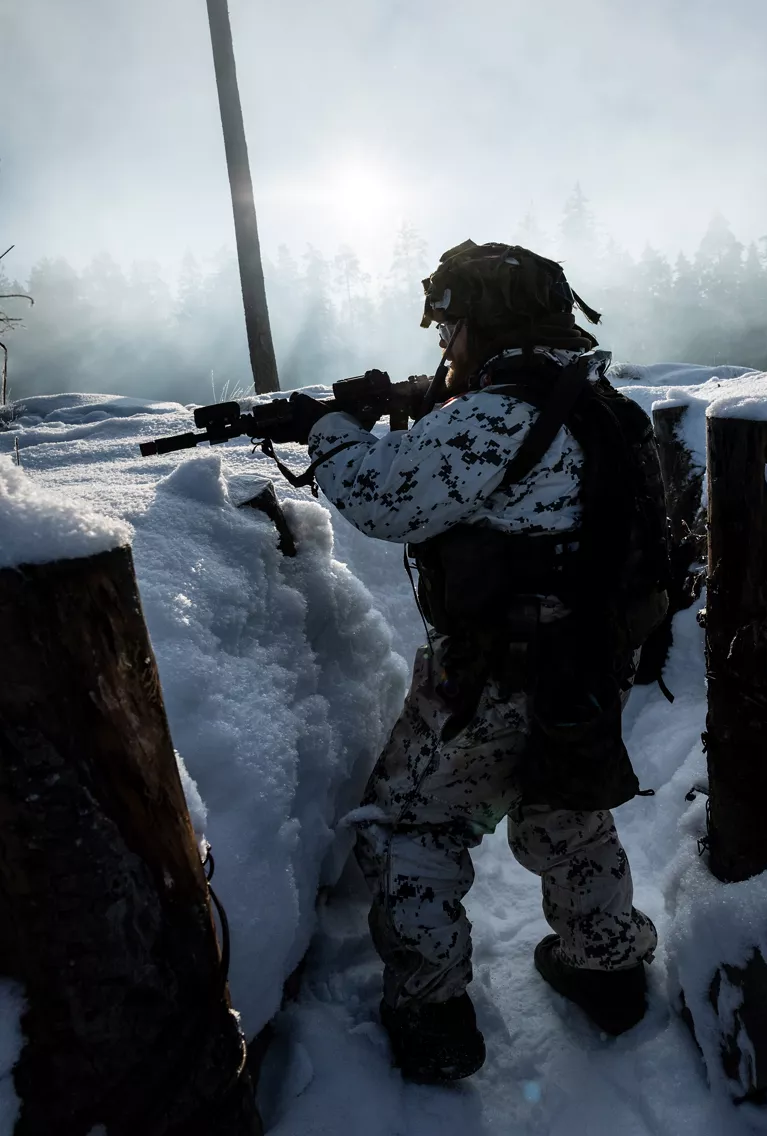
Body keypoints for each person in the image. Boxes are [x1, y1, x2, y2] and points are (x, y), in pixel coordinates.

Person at [289, 241, 668, 1084]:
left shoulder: (498, 416)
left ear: (483, 320)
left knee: (415, 824)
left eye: (452, 323)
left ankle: (432, 1015)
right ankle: (607, 971)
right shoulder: (599, 402)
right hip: (585, 661)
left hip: (495, 674)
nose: (445, 342)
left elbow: (387, 498)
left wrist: (332, 428)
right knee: (566, 816)